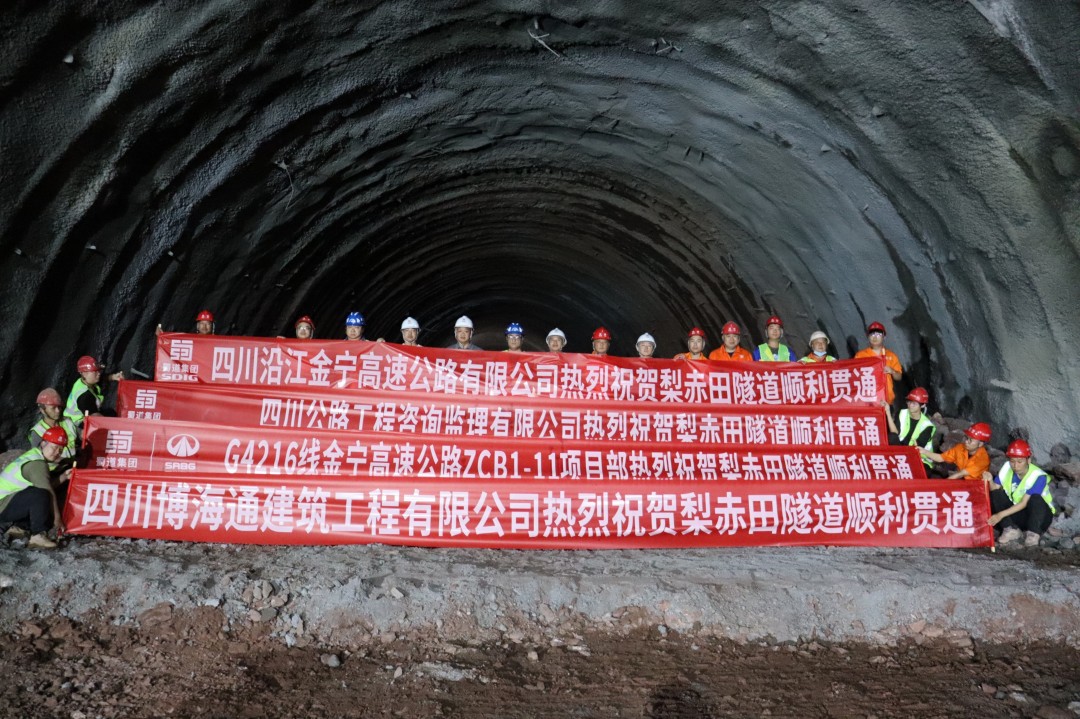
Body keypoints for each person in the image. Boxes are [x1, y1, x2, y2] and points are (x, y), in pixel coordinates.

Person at [0, 426, 70, 549]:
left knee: (37, 493)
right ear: (43, 443)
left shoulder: (34, 455)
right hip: (2, 506)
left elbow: (44, 484)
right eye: (54, 447)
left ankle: (19, 528)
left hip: (6, 502)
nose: (57, 453)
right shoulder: (37, 464)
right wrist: (57, 520)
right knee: (39, 495)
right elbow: (47, 491)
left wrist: (64, 476)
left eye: (60, 450)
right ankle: (38, 535)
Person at [985, 439, 1056, 547]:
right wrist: (990, 480)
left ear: (1028, 460)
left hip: (1040, 517)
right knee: (996, 493)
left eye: (1020, 462)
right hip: (1019, 514)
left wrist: (1000, 515)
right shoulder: (1007, 468)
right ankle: (1010, 529)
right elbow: (994, 488)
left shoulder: (1038, 476)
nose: (1015, 465)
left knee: (1035, 498)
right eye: (1012, 461)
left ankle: (1033, 533)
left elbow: (1023, 503)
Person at [64, 356, 123, 429]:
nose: (98, 373)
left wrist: (113, 377)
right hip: (79, 423)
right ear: (84, 373)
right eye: (94, 371)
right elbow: (96, 418)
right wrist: (116, 426)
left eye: (98, 371)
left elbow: (101, 379)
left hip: (89, 413)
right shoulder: (84, 396)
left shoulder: (85, 381)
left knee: (111, 413)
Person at [885, 387, 936, 468]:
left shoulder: (927, 426)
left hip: (919, 457)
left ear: (923, 405)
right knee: (891, 437)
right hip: (900, 451)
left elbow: (918, 448)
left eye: (914, 403)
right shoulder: (902, 413)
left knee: (921, 470)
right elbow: (894, 433)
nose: (910, 405)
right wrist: (888, 412)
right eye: (909, 402)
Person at [920, 422, 991, 480]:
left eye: (970, 440)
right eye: (967, 438)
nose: (966, 442)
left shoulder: (983, 459)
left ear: (980, 444)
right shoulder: (960, 448)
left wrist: (942, 485)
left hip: (974, 486)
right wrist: (924, 451)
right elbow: (940, 458)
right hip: (960, 478)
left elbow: (960, 474)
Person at [855, 321, 903, 405]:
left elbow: (899, 377)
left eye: (878, 334)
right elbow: (854, 375)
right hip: (868, 400)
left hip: (887, 400)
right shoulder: (860, 355)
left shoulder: (891, 355)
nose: (875, 337)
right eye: (872, 334)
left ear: (884, 337)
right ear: (868, 337)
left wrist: (892, 371)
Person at [27, 389, 78, 468]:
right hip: (56, 470)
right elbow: (38, 459)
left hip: (74, 465)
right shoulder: (38, 432)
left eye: (59, 407)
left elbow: (81, 436)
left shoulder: (67, 421)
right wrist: (68, 461)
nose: (58, 411)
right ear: (42, 409)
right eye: (53, 408)